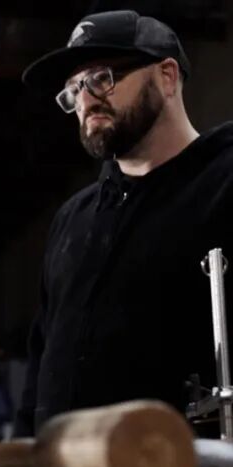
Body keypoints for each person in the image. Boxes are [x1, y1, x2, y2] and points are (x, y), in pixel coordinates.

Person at [16, 11, 233, 437]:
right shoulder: (73, 219)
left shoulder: (224, 184)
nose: (86, 101)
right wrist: (24, 452)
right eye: (74, 89)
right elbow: (41, 358)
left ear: (167, 77)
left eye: (102, 78)